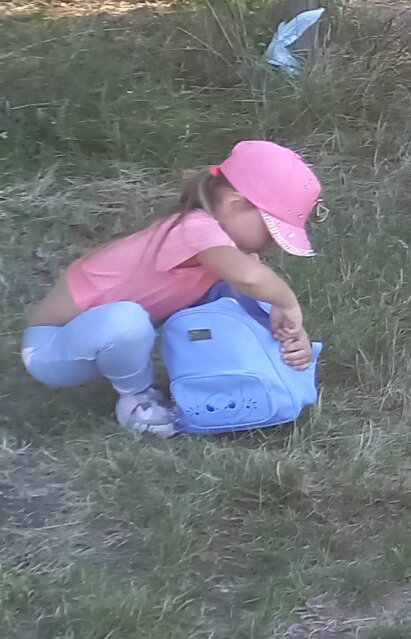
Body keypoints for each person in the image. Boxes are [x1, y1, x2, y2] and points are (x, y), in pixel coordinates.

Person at [19, 141, 322, 436]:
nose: (273, 244)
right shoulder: (195, 229)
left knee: (233, 293)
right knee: (126, 321)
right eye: (271, 232)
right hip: (51, 349)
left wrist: (290, 333)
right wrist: (288, 301)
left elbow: (252, 291)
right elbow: (251, 278)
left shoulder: (221, 246)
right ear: (234, 204)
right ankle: (138, 398)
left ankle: (253, 364)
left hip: (97, 334)